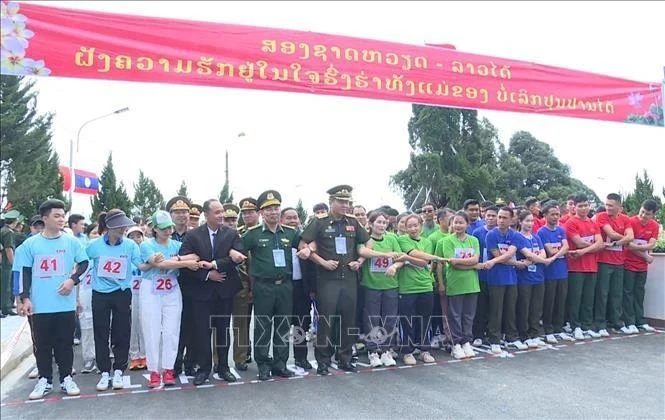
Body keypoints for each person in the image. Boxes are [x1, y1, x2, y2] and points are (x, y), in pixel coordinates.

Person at [299, 185, 397, 375]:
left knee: (348, 320)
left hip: (350, 278)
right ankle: (323, 360)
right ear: (331, 202)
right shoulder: (319, 222)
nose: (345, 205)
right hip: (328, 278)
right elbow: (304, 245)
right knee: (326, 321)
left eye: (348, 202)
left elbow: (367, 241)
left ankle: (344, 358)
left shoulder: (352, 222)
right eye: (341, 202)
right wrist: (322, 262)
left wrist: (360, 260)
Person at [17, 199, 88, 400]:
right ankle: (45, 380)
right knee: (42, 345)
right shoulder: (29, 245)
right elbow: (22, 272)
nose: (61, 219)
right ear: (45, 218)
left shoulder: (71, 242)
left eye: (62, 215)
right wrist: (24, 298)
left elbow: (85, 264)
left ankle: (66, 378)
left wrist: (72, 281)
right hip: (39, 305)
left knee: (65, 343)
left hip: (64, 303)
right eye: (56, 215)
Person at [180, 199, 246, 385]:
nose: (221, 215)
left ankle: (223, 367)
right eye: (217, 212)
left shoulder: (232, 234)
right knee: (202, 332)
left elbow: (238, 257)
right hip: (201, 292)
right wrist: (208, 274)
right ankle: (203, 369)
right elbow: (186, 263)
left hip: (225, 291)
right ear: (206, 215)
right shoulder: (193, 236)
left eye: (222, 211)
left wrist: (216, 264)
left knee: (223, 331)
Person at [242, 190, 303, 380]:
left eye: (276, 208)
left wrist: (308, 249)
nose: (273, 212)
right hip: (263, 286)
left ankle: (280, 363)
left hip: (285, 285)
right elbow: (237, 253)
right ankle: (262, 363)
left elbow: (306, 245)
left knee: (283, 326)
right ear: (261, 213)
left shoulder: (291, 233)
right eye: (268, 209)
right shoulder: (252, 234)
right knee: (263, 325)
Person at [140, 211, 200, 388]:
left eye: (170, 228)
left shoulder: (176, 245)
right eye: (164, 228)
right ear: (155, 229)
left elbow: (195, 256)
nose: (168, 231)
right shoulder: (146, 245)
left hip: (172, 289)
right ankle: (153, 371)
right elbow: (160, 264)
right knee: (151, 330)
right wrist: (183, 263)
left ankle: (168, 369)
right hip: (151, 290)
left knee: (171, 330)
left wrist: (178, 259)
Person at [86, 210, 143, 392]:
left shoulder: (130, 245)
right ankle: (104, 371)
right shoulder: (93, 246)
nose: (123, 229)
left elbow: (140, 264)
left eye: (124, 225)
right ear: (109, 226)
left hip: (122, 293)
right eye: (119, 226)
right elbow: (81, 263)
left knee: (122, 331)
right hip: (100, 294)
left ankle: (119, 369)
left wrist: (156, 263)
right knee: (101, 332)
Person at [395, 214, 443, 364]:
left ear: (421, 226)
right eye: (410, 226)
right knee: (407, 321)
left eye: (416, 225)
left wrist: (408, 259)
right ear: (405, 227)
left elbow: (424, 262)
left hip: (425, 285)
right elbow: (415, 255)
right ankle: (407, 351)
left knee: (425, 320)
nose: (413, 229)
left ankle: (424, 350)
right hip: (407, 287)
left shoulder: (427, 242)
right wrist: (410, 257)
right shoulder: (402, 240)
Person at [361, 212, 402, 367]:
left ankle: (385, 350)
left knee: (389, 319)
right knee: (372, 320)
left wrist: (394, 265)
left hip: (391, 286)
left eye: (384, 222)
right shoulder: (365, 240)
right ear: (371, 224)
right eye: (378, 222)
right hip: (371, 286)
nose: (382, 225)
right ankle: (373, 351)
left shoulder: (392, 238)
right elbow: (363, 252)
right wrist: (385, 255)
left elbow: (401, 257)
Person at [439, 211, 481, 359]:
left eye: (461, 222)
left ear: (467, 224)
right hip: (455, 284)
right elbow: (452, 263)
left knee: (469, 315)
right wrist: (472, 264)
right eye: (455, 222)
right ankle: (456, 343)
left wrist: (463, 262)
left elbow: (476, 258)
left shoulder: (474, 240)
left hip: (472, 284)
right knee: (455, 315)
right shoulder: (447, 241)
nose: (458, 225)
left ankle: (466, 342)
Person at [565, 193, 604, 340]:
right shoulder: (570, 223)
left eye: (586, 205)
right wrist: (592, 246)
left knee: (589, 299)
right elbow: (579, 242)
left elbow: (600, 244)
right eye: (580, 206)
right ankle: (575, 326)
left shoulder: (593, 223)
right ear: (574, 207)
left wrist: (584, 251)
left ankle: (587, 326)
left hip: (592, 267)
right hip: (575, 268)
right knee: (576, 299)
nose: (583, 208)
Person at [483, 207, 522, 354]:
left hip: (512, 279)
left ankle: (511, 336)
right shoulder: (491, 235)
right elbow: (499, 255)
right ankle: (494, 339)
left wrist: (494, 261)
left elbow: (510, 253)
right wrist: (516, 263)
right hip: (496, 279)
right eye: (499, 217)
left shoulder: (515, 235)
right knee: (496, 310)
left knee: (510, 309)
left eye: (504, 218)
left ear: (512, 220)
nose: (500, 220)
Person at [594, 193, 634, 336]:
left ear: (619, 206)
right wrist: (625, 239)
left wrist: (618, 242)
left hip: (619, 262)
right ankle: (600, 323)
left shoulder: (625, 219)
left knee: (617, 294)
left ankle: (617, 322)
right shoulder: (602, 216)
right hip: (604, 261)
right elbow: (610, 233)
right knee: (602, 293)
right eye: (606, 205)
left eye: (611, 205)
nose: (608, 208)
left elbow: (631, 236)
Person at [515, 210, 555, 348]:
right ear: (520, 222)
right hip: (524, 279)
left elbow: (542, 253)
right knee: (524, 307)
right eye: (527, 221)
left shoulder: (536, 237)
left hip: (538, 277)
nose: (530, 224)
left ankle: (534, 333)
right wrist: (542, 261)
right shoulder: (518, 237)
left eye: (532, 221)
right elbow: (528, 255)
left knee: (536, 308)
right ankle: (524, 335)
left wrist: (538, 259)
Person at [167, 196, 197, 377]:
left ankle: (191, 362)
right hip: (169, 286)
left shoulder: (195, 234)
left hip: (192, 284)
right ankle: (174, 363)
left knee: (192, 325)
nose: (182, 216)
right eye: (177, 212)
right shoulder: (163, 235)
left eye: (185, 212)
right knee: (173, 327)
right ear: (170, 215)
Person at [280, 207, 313, 370]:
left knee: (301, 324)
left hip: (301, 288)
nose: (293, 221)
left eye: (295, 218)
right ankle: (281, 360)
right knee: (283, 325)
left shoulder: (305, 240)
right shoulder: (279, 239)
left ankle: (301, 357)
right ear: (281, 221)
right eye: (288, 218)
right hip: (283, 286)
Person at [537, 201, 573, 343]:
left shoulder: (561, 230)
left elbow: (566, 247)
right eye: (552, 214)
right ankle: (548, 329)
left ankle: (559, 328)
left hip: (562, 271)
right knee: (549, 302)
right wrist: (560, 252)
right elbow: (550, 250)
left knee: (560, 301)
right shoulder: (542, 232)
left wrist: (557, 254)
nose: (556, 217)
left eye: (558, 214)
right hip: (549, 273)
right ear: (545, 215)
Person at [220, 203, 250, 373]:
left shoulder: (244, 237)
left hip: (241, 285)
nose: (230, 223)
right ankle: (218, 360)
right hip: (221, 283)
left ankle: (240, 358)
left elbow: (249, 264)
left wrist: (250, 287)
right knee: (220, 325)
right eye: (227, 220)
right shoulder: (216, 238)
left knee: (241, 325)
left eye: (233, 220)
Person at [623, 199, 660, 333]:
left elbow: (651, 244)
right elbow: (628, 245)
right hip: (628, 264)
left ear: (653, 214)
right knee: (628, 293)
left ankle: (640, 321)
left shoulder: (654, 226)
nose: (643, 216)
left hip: (642, 267)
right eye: (642, 212)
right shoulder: (631, 222)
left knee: (639, 293)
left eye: (647, 214)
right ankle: (629, 321)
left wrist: (639, 247)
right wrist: (645, 255)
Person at [471, 206, 498, 345]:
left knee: (494, 306)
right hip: (481, 273)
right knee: (480, 306)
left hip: (496, 274)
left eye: (494, 215)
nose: (491, 218)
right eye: (488, 215)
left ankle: (492, 333)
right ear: (484, 216)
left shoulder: (501, 233)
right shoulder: (477, 232)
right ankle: (478, 334)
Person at [238, 197, 260, 365]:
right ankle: (243, 355)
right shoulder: (239, 234)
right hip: (244, 285)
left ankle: (263, 354)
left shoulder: (265, 232)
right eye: (244, 213)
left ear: (258, 213)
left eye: (251, 212)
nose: (247, 215)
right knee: (242, 323)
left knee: (263, 322)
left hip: (262, 284)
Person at [126, 226, 146, 371]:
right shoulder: (126, 254)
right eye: (132, 237)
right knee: (132, 325)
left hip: (146, 293)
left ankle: (145, 355)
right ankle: (134, 356)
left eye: (138, 236)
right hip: (131, 293)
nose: (135, 239)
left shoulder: (147, 253)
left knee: (144, 324)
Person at [2, 209, 22, 317]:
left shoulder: (4, 230)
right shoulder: (8, 232)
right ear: (14, 222)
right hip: (6, 263)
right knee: (6, 286)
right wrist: (13, 263)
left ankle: (6, 305)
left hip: (4, 263)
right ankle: (6, 308)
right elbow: (8, 249)